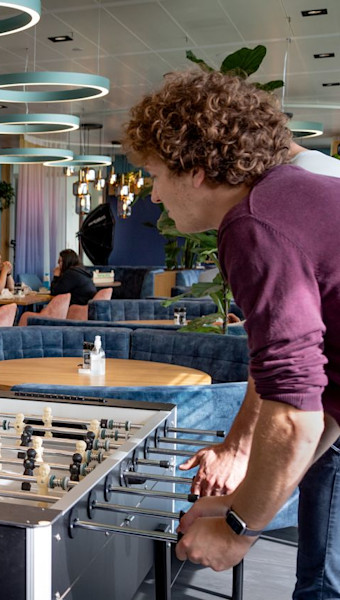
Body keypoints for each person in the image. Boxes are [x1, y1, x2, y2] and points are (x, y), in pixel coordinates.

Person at [123, 69, 340, 596]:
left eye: (154, 174)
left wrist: (240, 531)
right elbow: (327, 398)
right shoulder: (296, 195)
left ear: (195, 169)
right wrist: (238, 506)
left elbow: (292, 415)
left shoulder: (254, 224)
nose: (152, 195)